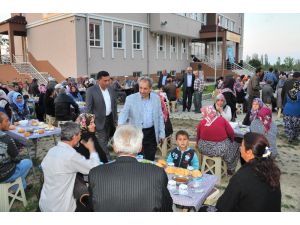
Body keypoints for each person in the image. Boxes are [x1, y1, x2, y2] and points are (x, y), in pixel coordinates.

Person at [89, 124, 173, 212]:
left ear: (114, 147)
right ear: (140, 147)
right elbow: (167, 208)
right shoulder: (158, 173)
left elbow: (92, 207)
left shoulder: (95, 173)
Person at [39, 122, 101, 212]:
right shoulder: (71, 156)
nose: (80, 137)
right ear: (74, 137)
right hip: (61, 208)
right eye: (80, 134)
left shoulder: (52, 150)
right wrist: (92, 149)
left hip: (45, 204)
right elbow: (95, 168)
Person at [215, 132, 281, 212]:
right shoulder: (272, 171)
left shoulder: (242, 177)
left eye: (241, 146)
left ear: (249, 153)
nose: (240, 148)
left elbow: (222, 207)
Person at [118, 76, 165, 161]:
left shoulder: (156, 98)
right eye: (140, 88)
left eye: (145, 89)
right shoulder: (130, 99)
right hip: (136, 133)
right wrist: (120, 126)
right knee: (136, 158)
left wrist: (162, 133)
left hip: (151, 133)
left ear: (150, 88)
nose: (142, 91)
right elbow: (123, 113)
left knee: (150, 158)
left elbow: (160, 116)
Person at [196, 105, 239, 174]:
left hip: (203, 149)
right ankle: (230, 169)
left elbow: (198, 137)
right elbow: (231, 133)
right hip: (219, 150)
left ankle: (208, 166)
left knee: (227, 145)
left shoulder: (202, 122)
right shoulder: (221, 119)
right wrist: (231, 140)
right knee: (236, 146)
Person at [86, 71, 118, 160]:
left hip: (110, 119)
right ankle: (106, 160)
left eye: (109, 80)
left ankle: (100, 154)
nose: (107, 82)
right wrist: (90, 123)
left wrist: (116, 120)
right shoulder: (91, 90)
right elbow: (88, 109)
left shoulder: (111, 89)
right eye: (105, 81)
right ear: (98, 80)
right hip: (99, 121)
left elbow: (114, 106)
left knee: (106, 139)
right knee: (102, 141)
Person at [0, 112, 33, 189]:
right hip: (4, 175)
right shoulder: (6, 138)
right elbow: (17, 159)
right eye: (7, 121)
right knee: (28, 162)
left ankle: (19, 186)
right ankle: (19, 188)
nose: (9, 123)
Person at [282, 72, 300, 143]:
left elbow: (284, 95)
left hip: (287, 110)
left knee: (288, 125)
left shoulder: (289, 92)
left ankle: (290, 137)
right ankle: (294, 136)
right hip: (296, 111)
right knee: (296, 125)